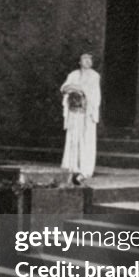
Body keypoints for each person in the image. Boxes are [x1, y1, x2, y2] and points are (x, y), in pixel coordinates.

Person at [60, 53, 102, 183]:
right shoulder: (73, 74)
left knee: (86, 139)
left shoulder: (94, 75)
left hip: (86, 112)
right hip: (74, 112)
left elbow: (91, 92)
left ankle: (85, 169)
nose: (87, 61)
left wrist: (78, 88)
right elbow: (64, 88)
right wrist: (72, 88)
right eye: (85, 59)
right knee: (73, 138)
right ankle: (73, 166)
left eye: (90, 59)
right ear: (79, 62)